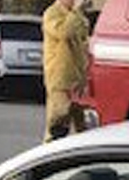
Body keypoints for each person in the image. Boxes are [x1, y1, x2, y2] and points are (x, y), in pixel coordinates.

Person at [42, 0, 90, 141]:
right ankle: (49, 158)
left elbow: (83, 44)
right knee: (58, 126)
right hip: (60, 80)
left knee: (83, 129)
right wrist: (75, 12)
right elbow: (64, 33)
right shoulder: (52, 13)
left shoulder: (80, 17)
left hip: (78, 81)